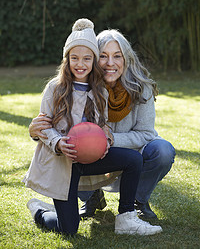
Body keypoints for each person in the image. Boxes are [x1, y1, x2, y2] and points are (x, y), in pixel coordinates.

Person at [24, 18, 163, 236]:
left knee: (133, 159)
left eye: (87, 58)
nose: (80, 64)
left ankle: (127, 216)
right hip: (63, 164)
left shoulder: (99, 91)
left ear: (93, 61)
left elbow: (101, 126)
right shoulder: (54, 88)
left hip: (87, 161)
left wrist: (105, 141)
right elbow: (43, 125)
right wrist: (58, 142)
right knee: (68, 230)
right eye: (75, 58)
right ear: (66, 59)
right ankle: (41, 210)